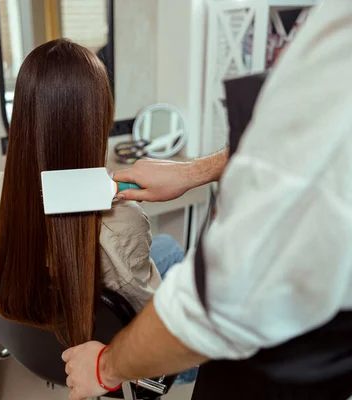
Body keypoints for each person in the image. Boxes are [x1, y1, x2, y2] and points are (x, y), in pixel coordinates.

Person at [62, 2, 352, 399]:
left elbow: (220, 301)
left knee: (167, 249)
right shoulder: (127, 224)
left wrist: (107, 365)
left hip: (295, 346)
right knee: (167, 248)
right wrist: (190, 172)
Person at [0, 39, 164, 347]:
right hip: (107, 356)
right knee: (173, 253)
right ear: (98, 119)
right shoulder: (123, 222)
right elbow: (143, 318)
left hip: (38, 344)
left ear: (23, 115)